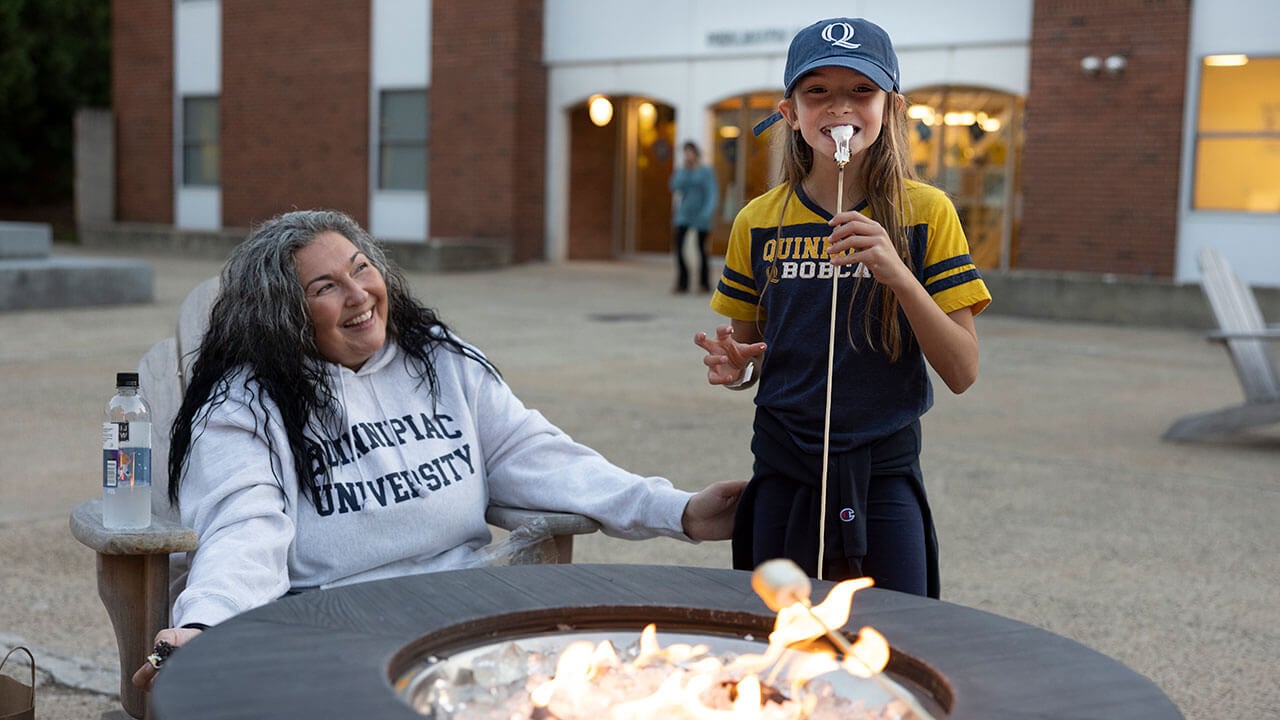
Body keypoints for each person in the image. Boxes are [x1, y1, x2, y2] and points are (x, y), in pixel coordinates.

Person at [132, 209, 744, 690]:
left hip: (469, 610)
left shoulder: (438, 361)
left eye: (361, 267)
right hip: (340, 627)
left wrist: (680, 511)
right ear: (282, 314)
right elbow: (243, 527)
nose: (359, 294)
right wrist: (203, 626)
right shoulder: (247, 408)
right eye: (326, 286)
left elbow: (535, 455)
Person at [693, 18, 991, 598]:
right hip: (784, 466)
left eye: (861, 91)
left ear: (892, 108)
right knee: (776, 644)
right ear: (789, 112)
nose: (840, 108)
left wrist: (897, 272)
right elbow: (749, 354)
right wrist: (735, 368)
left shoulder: (927, 213)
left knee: (901, 641)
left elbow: (962, 371)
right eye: (818, 92)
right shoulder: (757, 220)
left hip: (881, 470)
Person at [669, 141, 719, 293]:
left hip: (701, 216)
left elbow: (712, 193)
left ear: (696, 153)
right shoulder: (683, 170)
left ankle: (704, 283)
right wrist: (684, 171)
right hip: (684, 214)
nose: (687, 155)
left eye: (690, 152)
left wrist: (707, 212)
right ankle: (682, 283)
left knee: (701, 250)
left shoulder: (706, 172)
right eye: (685, 152)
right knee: (679, 248)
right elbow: (674, 186)